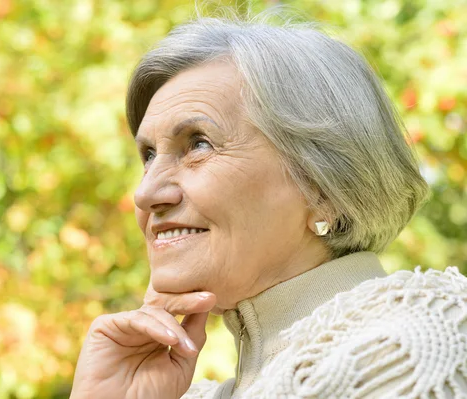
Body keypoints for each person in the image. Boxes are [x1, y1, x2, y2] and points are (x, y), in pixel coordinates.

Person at [70, 11, 467, 399]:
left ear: (323, 188)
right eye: (149, 155)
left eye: (199, 144)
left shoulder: (418, 340)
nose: (145, 193)